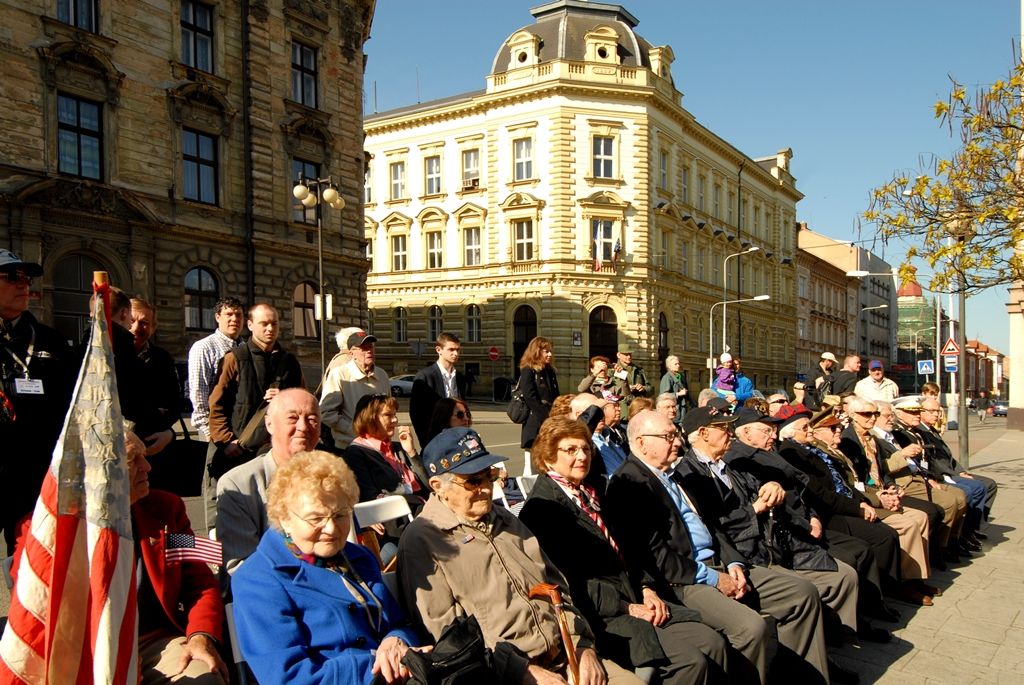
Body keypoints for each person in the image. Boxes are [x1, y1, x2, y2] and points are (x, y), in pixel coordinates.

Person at [603, 409, 832, 685]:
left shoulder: (674, 475)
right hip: (685, 581)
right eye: (668, 436)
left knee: (802, 593)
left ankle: (805, 679)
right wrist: (715, 578)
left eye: (675, 434)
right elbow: (658, 558)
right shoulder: (630, 485)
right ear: (641, 443)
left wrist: (734, 563)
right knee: (751, 628)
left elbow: (712, 528)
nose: (677, 442)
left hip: (722, 564)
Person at [398, 427, 643, 685]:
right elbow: (449, 637)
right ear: (438, 486)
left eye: (489, 476)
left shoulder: (506, 520)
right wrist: (521, 671)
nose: (485, 488)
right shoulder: (423, 540)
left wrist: (582, 646)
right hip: (503, 674)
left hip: (566, 655)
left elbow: (557, 589)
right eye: (473, 481)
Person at [520, 415, 731, 685]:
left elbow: (628, 550)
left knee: (712, 642)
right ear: (548, 457)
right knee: (690, 662)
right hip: (601, 616)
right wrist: (626, 606)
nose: (582, 456)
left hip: (637, 596)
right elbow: (569, 582)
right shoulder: (543, 510)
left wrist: (645, 587)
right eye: (570, 450)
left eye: (585, 448)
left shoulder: (592, 492)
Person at [677, 408, 861, 648]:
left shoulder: (725, 465)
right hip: (743, 554)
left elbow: (762, 490)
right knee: (804, 592)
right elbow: (717, 525)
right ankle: (810, 665)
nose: (731, 433)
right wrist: (756, 508)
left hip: (768, 543)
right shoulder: (689, 473)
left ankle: (830, 646)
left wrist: (772, 485)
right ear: (703, 434)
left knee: (843, 573)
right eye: (723, 428)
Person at [231, 450, 421, 684]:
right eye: (315, 518)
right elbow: (288, 677)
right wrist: (379, 664)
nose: (331, 528)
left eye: (340, 515)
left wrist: (396, 640)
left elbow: (399, 623)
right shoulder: (258, 580)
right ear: (285, 519)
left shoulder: (359, 558)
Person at [0, 249, 76, 548]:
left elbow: (71, 403)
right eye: (12, 277)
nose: (23, 284)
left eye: (26, 278)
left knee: (27, 561)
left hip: (35, 472)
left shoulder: (49, 340)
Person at [205, 303, 304, 529]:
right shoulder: (235, 358)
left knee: (278, 513)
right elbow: (216, 405)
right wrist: (225, 440)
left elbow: (304, 401)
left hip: (277, 452)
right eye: (264, 323)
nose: (270, 329)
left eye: (274, 323)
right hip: (239, 450)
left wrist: (286, 397)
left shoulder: (289, 361)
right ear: (250, 325)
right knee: (239, 510)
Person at [216, 388, 321, 576]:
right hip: (275, 592)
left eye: (312, 419)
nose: (304, 427)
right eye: (293, 418)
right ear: (269, 424)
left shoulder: (331, 477)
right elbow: (242, 567)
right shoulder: (238, 485)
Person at [342, 394, 426, 563]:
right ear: (370, 418)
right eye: (388, 415)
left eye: (395, 415)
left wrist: (412, 453)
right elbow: (369, 497)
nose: (395, 420)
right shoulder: (357, 453)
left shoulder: (397, 447)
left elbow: (427, 485)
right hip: (396, 528)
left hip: (421, 517)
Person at [919, 395, 997, 521]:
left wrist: (961, 471)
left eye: (938, 411)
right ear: (921, 412)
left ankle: (978, 523)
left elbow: (948, 456)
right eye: (932, 411)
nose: (937, 415)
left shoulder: (931, 429)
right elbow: (933, 461)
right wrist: (954, 474)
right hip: (943, 474)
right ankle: (968, 529)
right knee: (975, 488)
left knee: (990, 484)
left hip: (952, 471)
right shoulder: (921, 431)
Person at [320, 330, 390, 449]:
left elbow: (389, 407)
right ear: (352, 352)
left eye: (371, 347)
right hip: (350, 446)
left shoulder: (382, 375)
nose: (369, 351)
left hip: (379, 446)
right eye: (363, 348)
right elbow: (326, 412)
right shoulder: (340, 374)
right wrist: (353, 430)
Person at [187, 296, 244, 440]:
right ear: (218, 317)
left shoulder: (245, 348)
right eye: (229, 314)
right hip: (214, 429)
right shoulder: (204, 347)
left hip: (241, 428)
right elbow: (199, 392)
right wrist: (210, 432)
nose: (234, 319)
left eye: (238, 315)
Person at [129, 298, 180, 456]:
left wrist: (169, 433)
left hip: (155, 445)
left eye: (144, 322)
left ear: (153, 327)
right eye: (131, 321)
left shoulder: (162, 358)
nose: (136, 328)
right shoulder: (108, 356)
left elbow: (174, 403)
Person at [410, 332, 465, 446]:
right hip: (434, 441)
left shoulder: (459, 377)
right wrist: (426, 441)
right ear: (438, 350)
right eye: (451, 349)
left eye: (458, 350)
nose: (455, 353)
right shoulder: (425, 376)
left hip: (457, 439)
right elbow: (416, 414)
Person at [518, 336, 559, 452]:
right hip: (535, 420)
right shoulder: (528, 370)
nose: (550, 354)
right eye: (546, 351)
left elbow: (556, 396)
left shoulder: (550, 371)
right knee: (533, 460)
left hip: (551, 419)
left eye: (551, 351)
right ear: (537, 352)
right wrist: (545, 416)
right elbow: (529, 397)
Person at [611, 343, 651, 412]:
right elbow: (609, 390)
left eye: (630, 354)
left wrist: (643, 388)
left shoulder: (639, 370)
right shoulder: (613, 370)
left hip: (639, 407)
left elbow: (650, 388)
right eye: (626, 355)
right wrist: (627, 388)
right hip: (622, 408)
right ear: (618, 355)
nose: (629, 357)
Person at [659, 355, 690, 426]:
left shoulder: (681, 376)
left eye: (678, 363)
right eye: (675, 364)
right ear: (669, 366)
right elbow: (663, 396)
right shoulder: (667, 378)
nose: (678, 365)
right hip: (673, 410)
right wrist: (678, 394)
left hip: (683, 409)